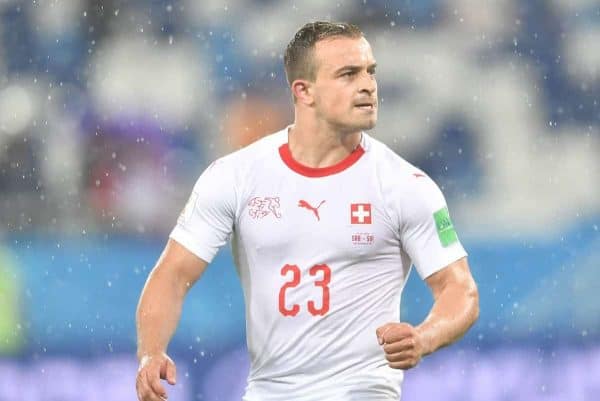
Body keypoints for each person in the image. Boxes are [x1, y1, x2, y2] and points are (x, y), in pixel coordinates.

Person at [135, 21, 479, 401]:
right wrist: (151, 352)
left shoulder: (405, 186)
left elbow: (460, 290)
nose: (367, 85)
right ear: (304, 91)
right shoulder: (235, 177)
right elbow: (172, 274)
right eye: (348, 74)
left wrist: (423, 337)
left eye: (370, 72)